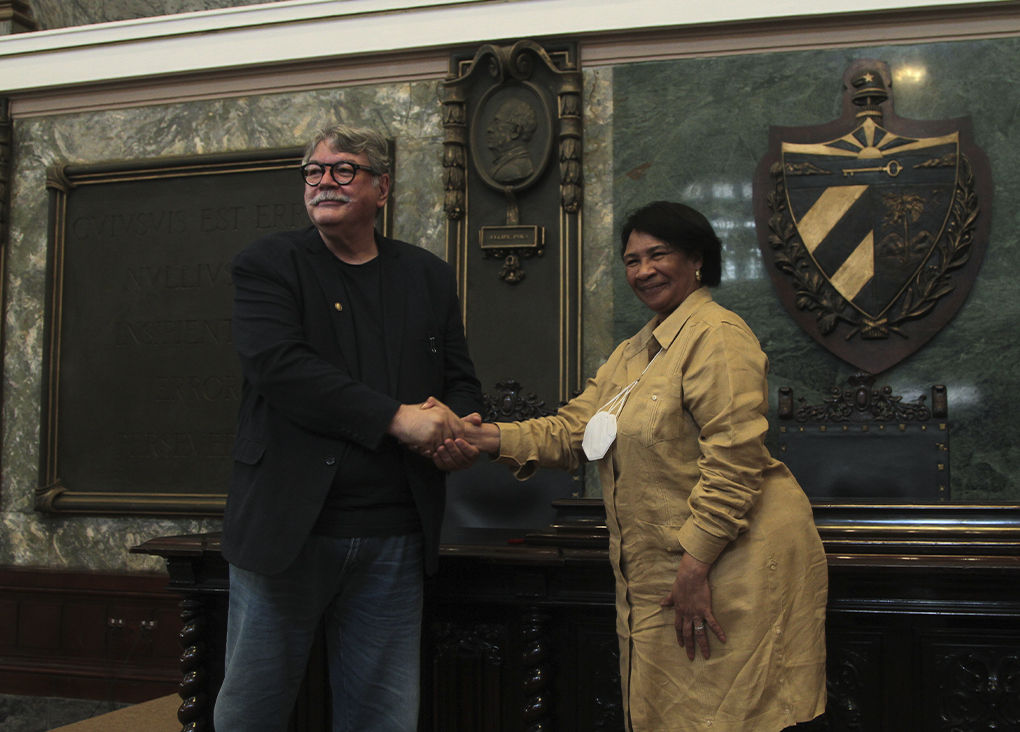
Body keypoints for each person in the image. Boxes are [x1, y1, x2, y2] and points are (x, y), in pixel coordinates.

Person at [435, 201, 828, 732]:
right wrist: (473, 434)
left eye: (658, 254)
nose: (643, 271)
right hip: (668, 569)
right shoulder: (635, 352)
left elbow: (736, 461)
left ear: (697, 260)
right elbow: (573, 431)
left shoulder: (718, 335)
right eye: (631, 260)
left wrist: (695, 565)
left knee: (729, 716)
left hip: (730, 565)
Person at [215, 124, 482, 732]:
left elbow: (460, 378)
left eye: (343, 169)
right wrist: (399, 419)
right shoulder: (267, 263)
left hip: (394, 535)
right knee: (251, 713)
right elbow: (280, 368)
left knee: (382, 718)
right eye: (314, 171)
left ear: (382, 187)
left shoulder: (428, 275)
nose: (324, 182)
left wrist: (458, 430)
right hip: (289, 532)